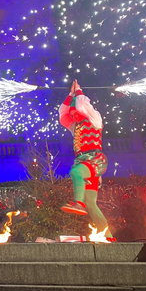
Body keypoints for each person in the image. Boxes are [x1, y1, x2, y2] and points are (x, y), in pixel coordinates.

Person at [58, 80, 115, 240]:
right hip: (84, 162)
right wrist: (70, 95)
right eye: (73, 113)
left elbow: (83, 104)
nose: (74, 114)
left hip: (94, 160)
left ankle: (78, 203)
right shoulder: (75, 126)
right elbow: (63, 113)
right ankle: (109, 237)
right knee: (91, 203)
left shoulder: (95, 119)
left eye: (76, 112)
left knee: (76, 173)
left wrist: (78, 91)